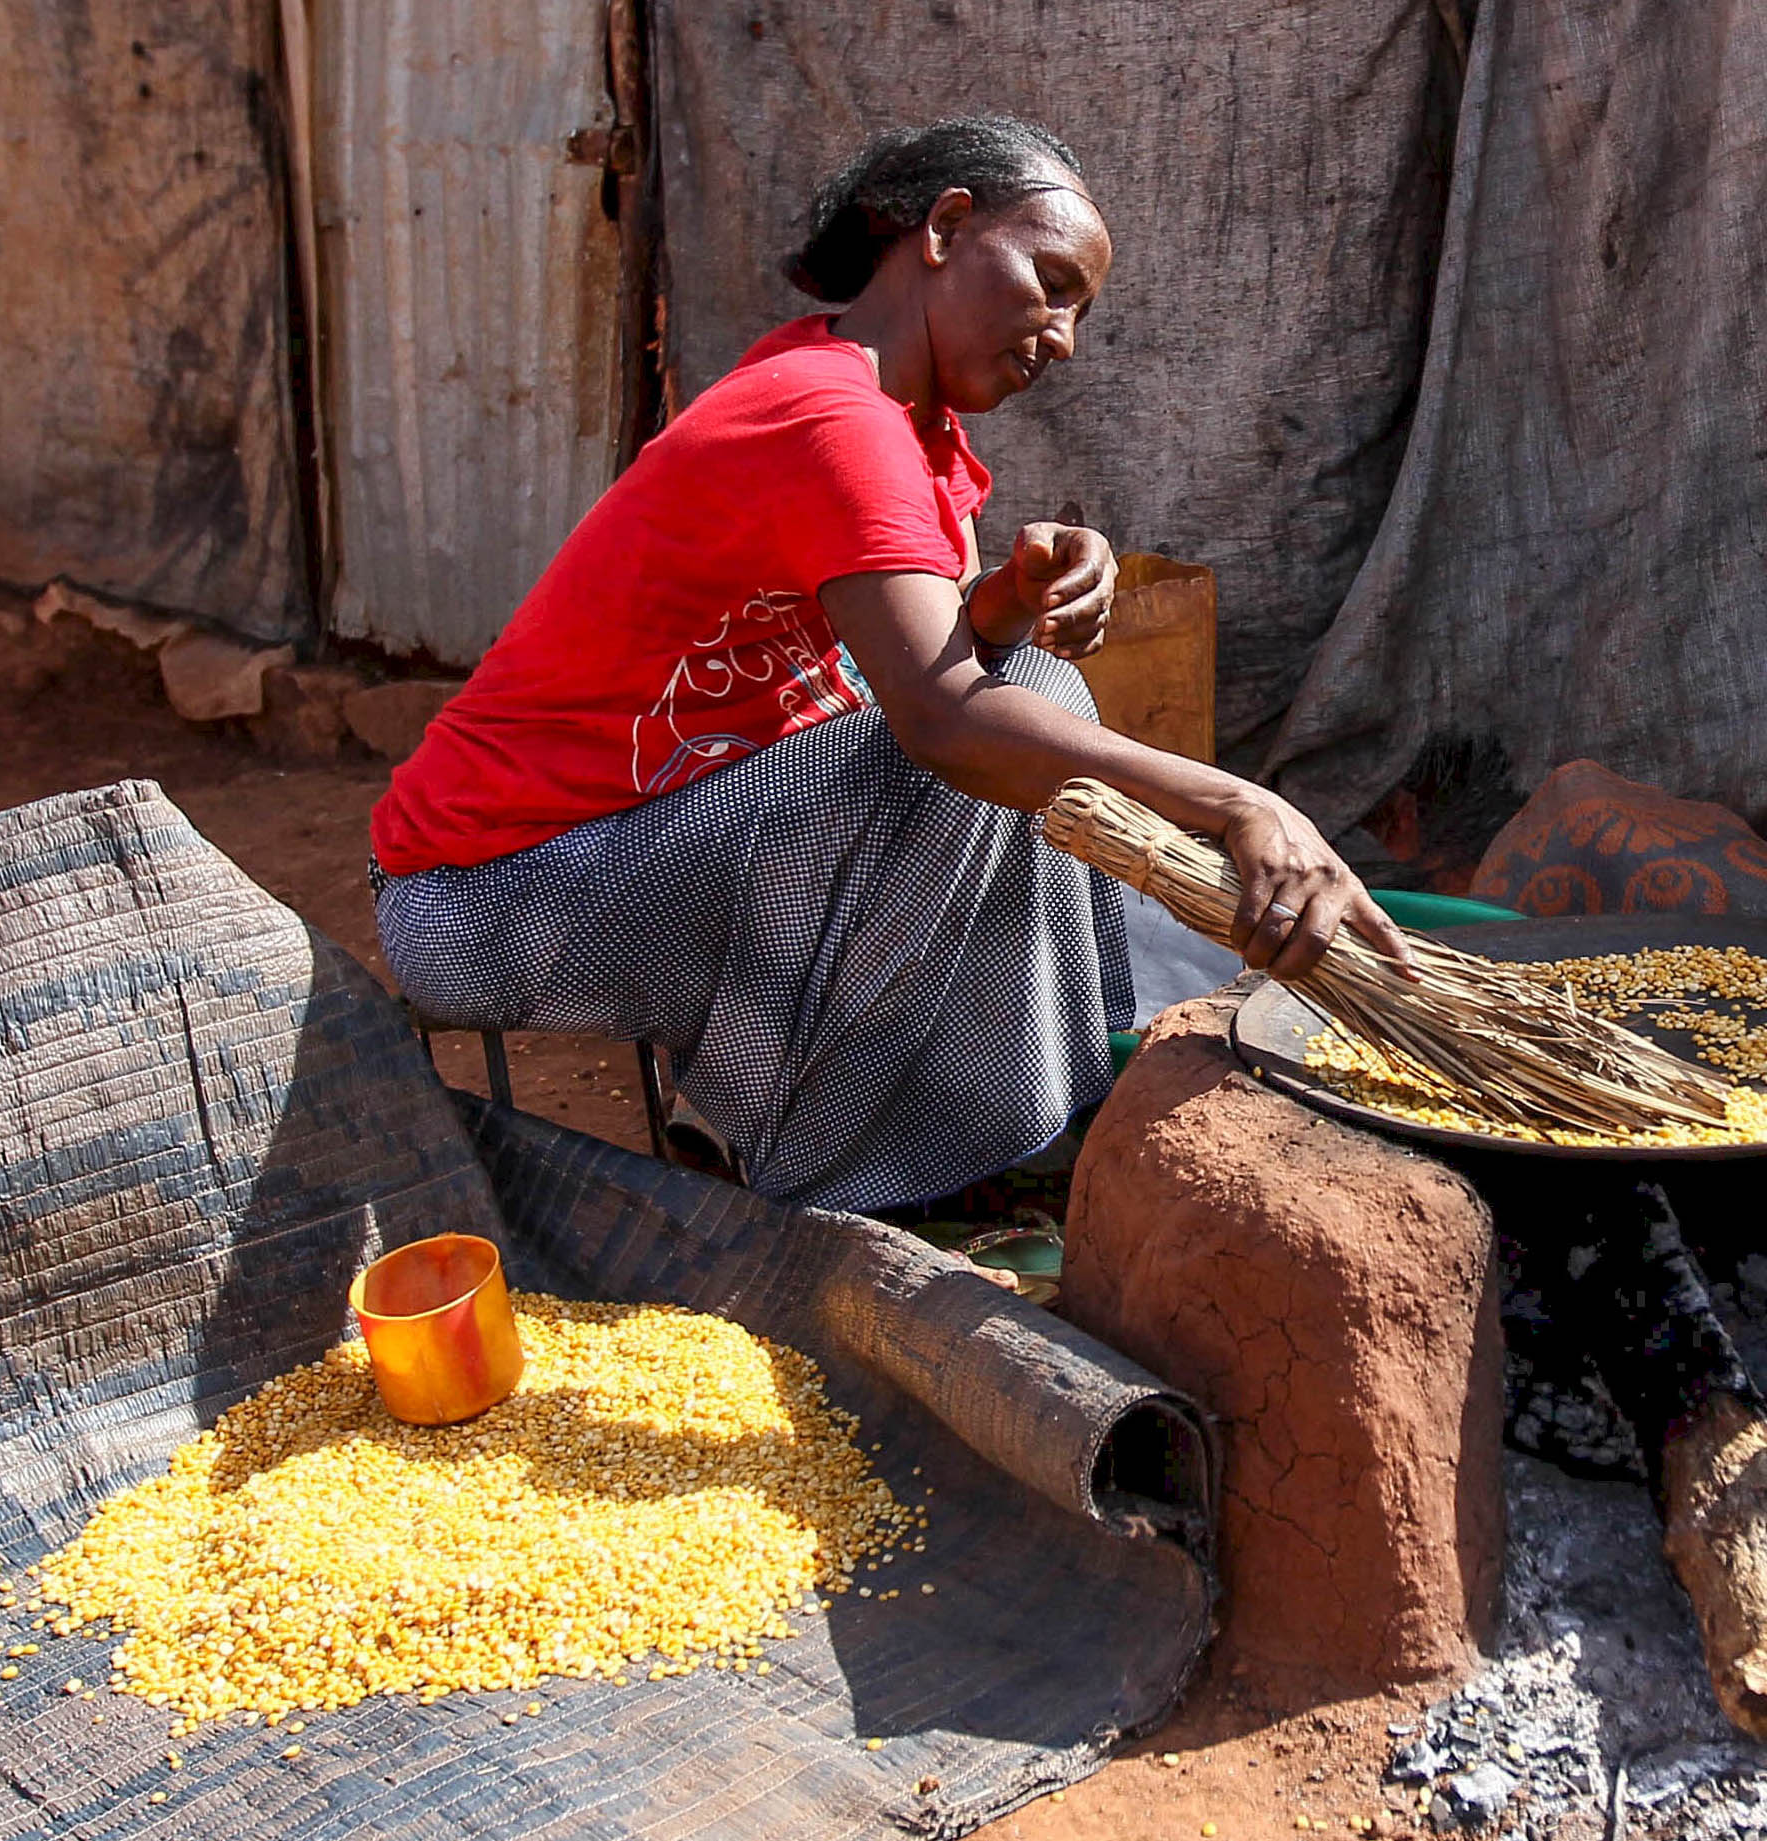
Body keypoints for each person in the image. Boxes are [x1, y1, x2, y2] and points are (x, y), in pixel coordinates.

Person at [369, 114, 1407, 1211]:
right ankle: (843, 1192)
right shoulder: (828, 417)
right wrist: (1244, 805)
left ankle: (970, 1120)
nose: (1064, 338)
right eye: (1053, 283)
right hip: (488, 898)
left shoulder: (905, 433)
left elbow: (926, 669)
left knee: (1017, 699)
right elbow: (941, 719)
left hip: (637, 849)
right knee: (989, 730)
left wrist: (1003, 602)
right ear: (948, 227)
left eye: (1083, 312)